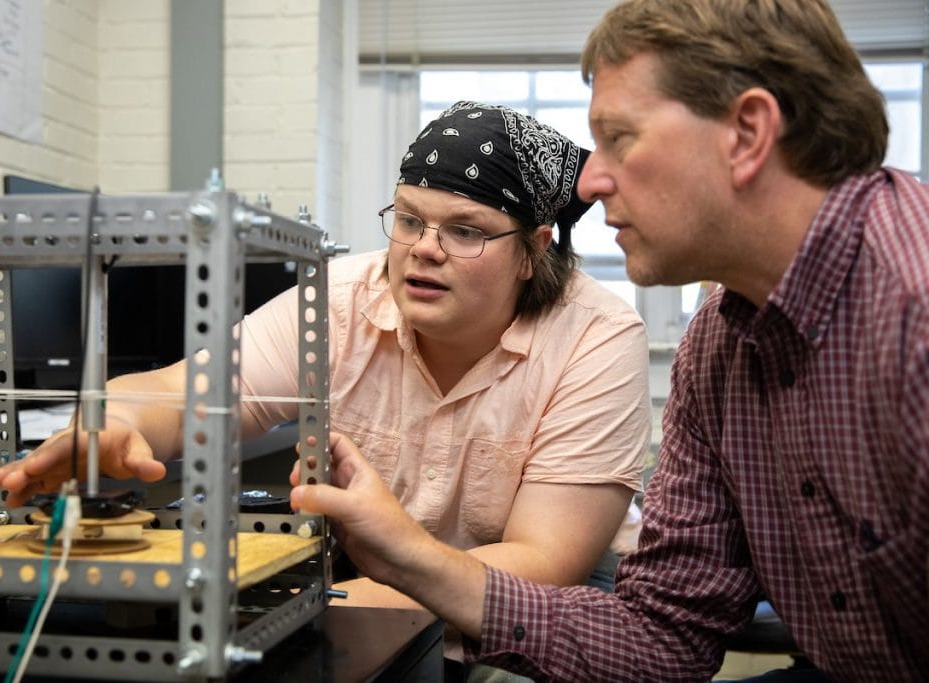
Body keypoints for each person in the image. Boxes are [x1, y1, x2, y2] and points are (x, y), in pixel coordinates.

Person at [287, 0, 929, 680]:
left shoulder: (911, 309)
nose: (590, 181)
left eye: (619, 138)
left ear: (747, 134)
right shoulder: (718, 346)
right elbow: (664, 636)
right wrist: (413, 560)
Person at [0, 102, 652, 612]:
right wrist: (115, 420)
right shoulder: (340, 299)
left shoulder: (596, 338)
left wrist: (308, 607)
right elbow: (193, 390)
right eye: (411, 219)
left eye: (465, 231)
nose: (423, 248)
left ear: (534, 251)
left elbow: (543, 563)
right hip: (382, 587)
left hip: (540, 614)